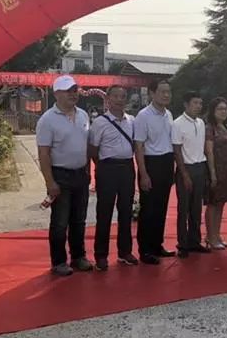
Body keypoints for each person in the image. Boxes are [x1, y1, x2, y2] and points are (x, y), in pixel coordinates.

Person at [36, 75, 93, 276]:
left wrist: (88, 171)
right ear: (57, 93)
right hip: (60, 175)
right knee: (60, 222)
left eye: (75, 90)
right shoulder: (47, 120)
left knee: (79, 219)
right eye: (68, 91)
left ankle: (78, 257)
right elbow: (43, 153)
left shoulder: (83, 115)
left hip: (80, 174)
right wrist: (50, 182)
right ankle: (59, 261)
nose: (73, 94)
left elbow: (86, 146)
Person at [88, 85, 137, 271]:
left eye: (123, 96)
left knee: (126, 211)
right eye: (115, 96)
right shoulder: (100, 122)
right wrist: (102, 166)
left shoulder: (131, 121)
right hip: (107, 169)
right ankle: (101, 255)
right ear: (108, 99)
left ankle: (125, 252)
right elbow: (93, 149)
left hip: (127, 168)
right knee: (104, 212)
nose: (119, 100)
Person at [133, 80, 175, 265]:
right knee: (148, 209)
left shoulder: (169, 114)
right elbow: (139, 146)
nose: (166, 95)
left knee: (161, 207)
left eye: (168, 92)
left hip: (166, 162)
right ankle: (145, 250)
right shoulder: (143, 116)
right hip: (151, 163)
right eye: (162, 91)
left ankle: (157, 245)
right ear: (151, 93)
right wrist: (143, 173)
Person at [172, 92, 211, 258]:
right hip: (186, 168)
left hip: (200, 167)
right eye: (195, 103)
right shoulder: (177, 124)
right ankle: (182, 244)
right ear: (186, 104)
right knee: (183, 209)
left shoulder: (201, 123)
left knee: (196, 208)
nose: (198, 106)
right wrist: (184, 174)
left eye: (200, 103)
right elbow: (177, 150)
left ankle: (195, 241)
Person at [204, 97, 227, 250]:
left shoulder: (225, 127)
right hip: (215, 170)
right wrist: (212, 173)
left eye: (225, 109)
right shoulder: (210, 128)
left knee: (221, 203)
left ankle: (216, 234)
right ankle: (210, 236)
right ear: (213, 111)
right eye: (220, 109)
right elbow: (209, 151)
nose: (223, 111)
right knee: (213, 204)